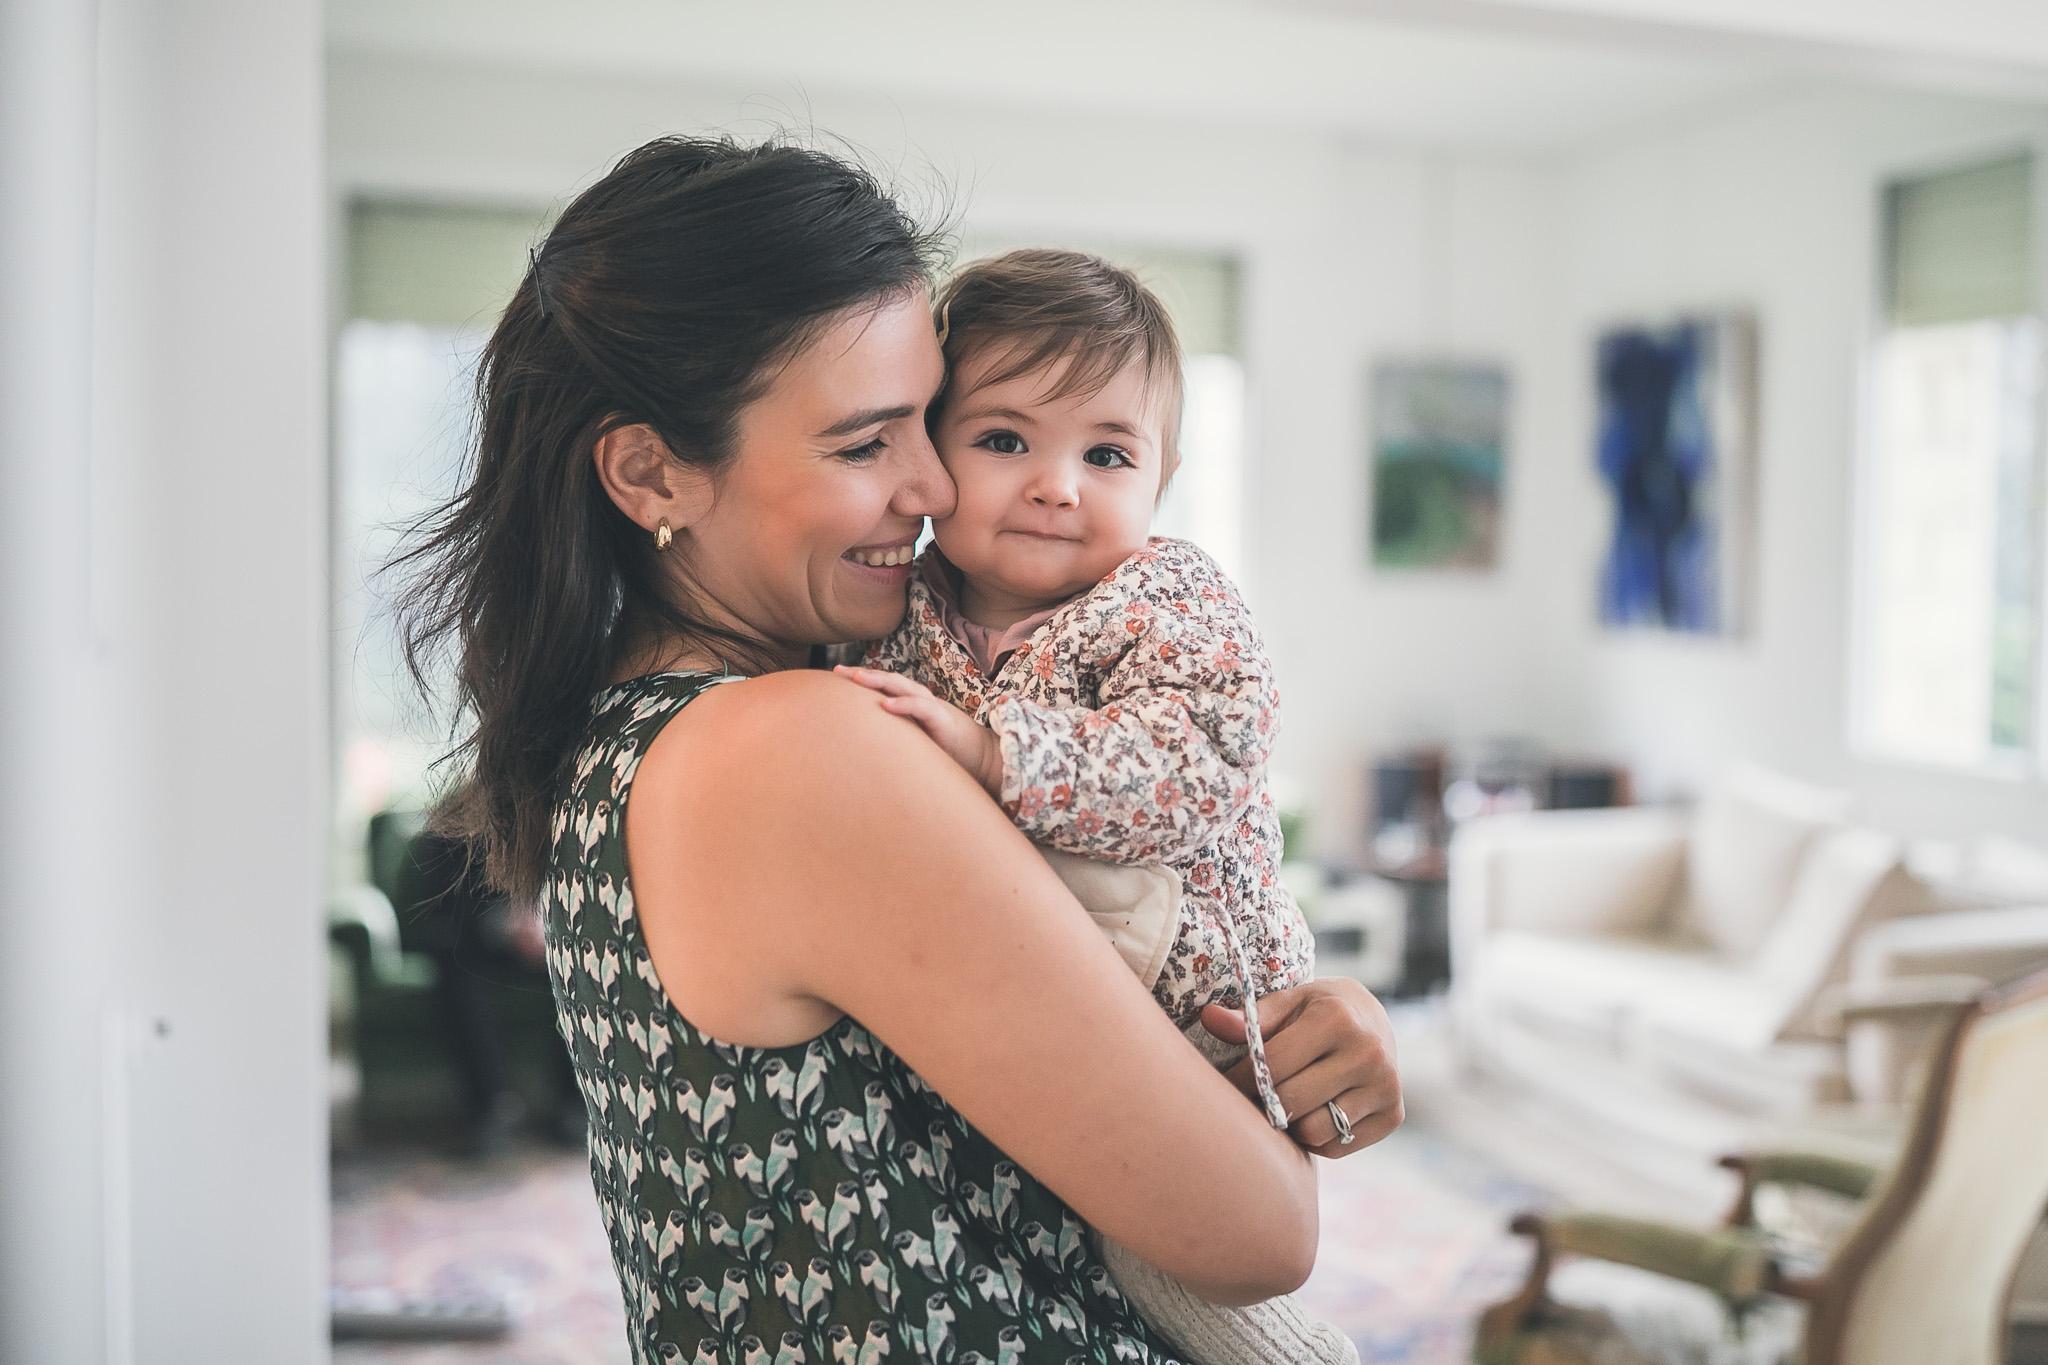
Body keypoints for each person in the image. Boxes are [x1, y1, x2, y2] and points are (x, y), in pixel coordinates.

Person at [394, 134, 1402, 1363]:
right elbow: (1259, 1234)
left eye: (929, 422)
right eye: (866, 442)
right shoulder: (800, 753)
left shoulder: (640, 733)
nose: (931, 486)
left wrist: (1304, 1015)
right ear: (652, 473)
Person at [838, 248, 1353, 1362]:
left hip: (1200, 1008)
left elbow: (1197, 762)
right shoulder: (898, 608)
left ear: (1162, 479)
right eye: (1004, 440)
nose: (1056, 485)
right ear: (930, 450)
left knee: (1176, 1265)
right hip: (1038, 996)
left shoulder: (1169, 599)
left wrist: (997, 754)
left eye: (1107, 454)